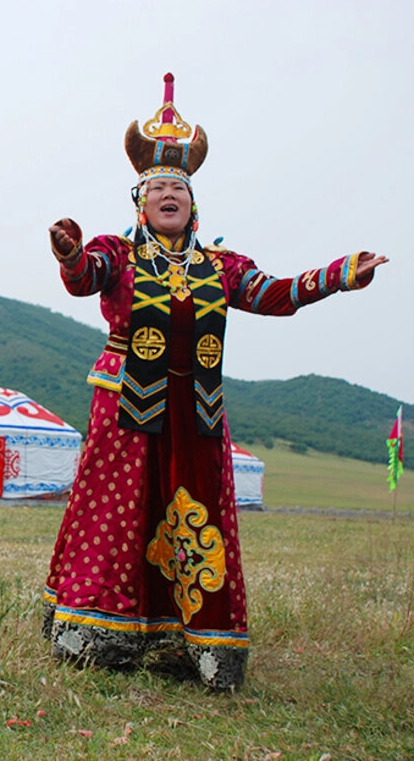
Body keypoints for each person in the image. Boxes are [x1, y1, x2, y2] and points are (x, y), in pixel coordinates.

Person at [40, 74, 387, 691]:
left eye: (178, 187)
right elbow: (86, 277)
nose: (168, 194)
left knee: (195, 517)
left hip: (197, 411)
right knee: (118, 514)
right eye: (157, 188)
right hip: (126, 402)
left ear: (192, 203)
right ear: (139, 202)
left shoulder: (221, 266)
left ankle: (194, 639)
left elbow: (276, 295)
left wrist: (338, 274)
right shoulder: (117, 251)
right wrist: (69, 255)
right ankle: (101, 631)